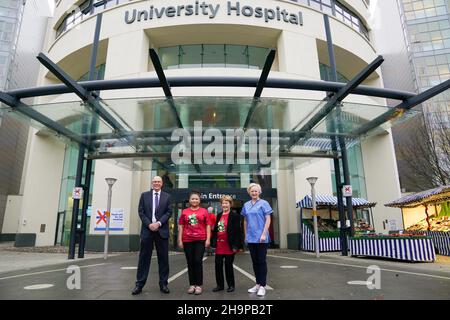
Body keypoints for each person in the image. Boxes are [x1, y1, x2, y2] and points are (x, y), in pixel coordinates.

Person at [132, 176, 172, 295]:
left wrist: (158, 223)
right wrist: (149, 224)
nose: (156, 183)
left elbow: (169, 212)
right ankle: (139, 284)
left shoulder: (167, 196)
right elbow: (141, 211)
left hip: (161, 231)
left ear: (162, 183)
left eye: (158, 181)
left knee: (163, 259)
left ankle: (163, 284)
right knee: (144, 259)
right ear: (151, 183)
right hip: (147, 231)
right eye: (154, 181)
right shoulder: (144, 196)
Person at [241, 183, 273, 297]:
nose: (254, 193)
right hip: (251, 237)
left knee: (261, 261)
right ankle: (258, 284)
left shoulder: (264, 203)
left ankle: (263, 286)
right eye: (252, 191)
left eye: (256, 191)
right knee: (254, 262)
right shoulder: (246, 205)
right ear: (249, 192)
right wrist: (246, 235)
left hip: (261, 237)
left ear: (259, 192)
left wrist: (264, 234)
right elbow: (245, 221)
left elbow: (268, 219)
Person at [178, 191, 212, 295]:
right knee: (190, 262)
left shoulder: (204, 211)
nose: (194, 200)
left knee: (198, 261)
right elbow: (181, 226)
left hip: (200, 239)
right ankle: (192, 285)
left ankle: (199, 285)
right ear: (189, 200)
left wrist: (208, 239)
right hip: (187, 239)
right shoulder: (185, 211)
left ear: (199, 200)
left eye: (196, 199)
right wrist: (180, 240)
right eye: (192, 198)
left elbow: (208, 225)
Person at [211, 195, 242, 293]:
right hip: (219, 245)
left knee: (228, 266)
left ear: (230, 204)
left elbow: (238, 232)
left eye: (226, 203)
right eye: (223, 203)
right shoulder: (219, 215)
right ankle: (220, 285)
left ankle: (231, 285)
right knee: (218, 265)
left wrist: (236, 246)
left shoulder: (235, 216)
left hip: (229, 245)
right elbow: (216, 230)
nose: (224, 205)